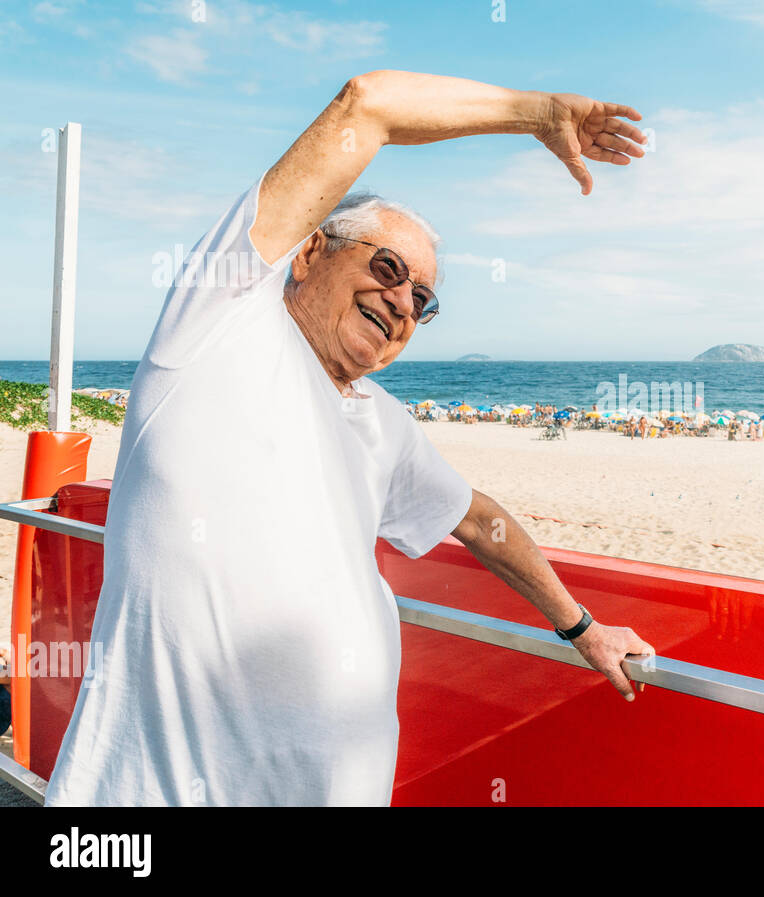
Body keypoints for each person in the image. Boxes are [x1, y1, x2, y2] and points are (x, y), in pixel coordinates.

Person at [45, 71, 654, 807]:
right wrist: (539, 113)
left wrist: (582, 626)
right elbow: (367, 105)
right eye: (387, 269)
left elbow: (479, 520)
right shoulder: (221, 321)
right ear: (309, 255)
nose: (401, 301)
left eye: (422, 299)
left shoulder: (380, 421)